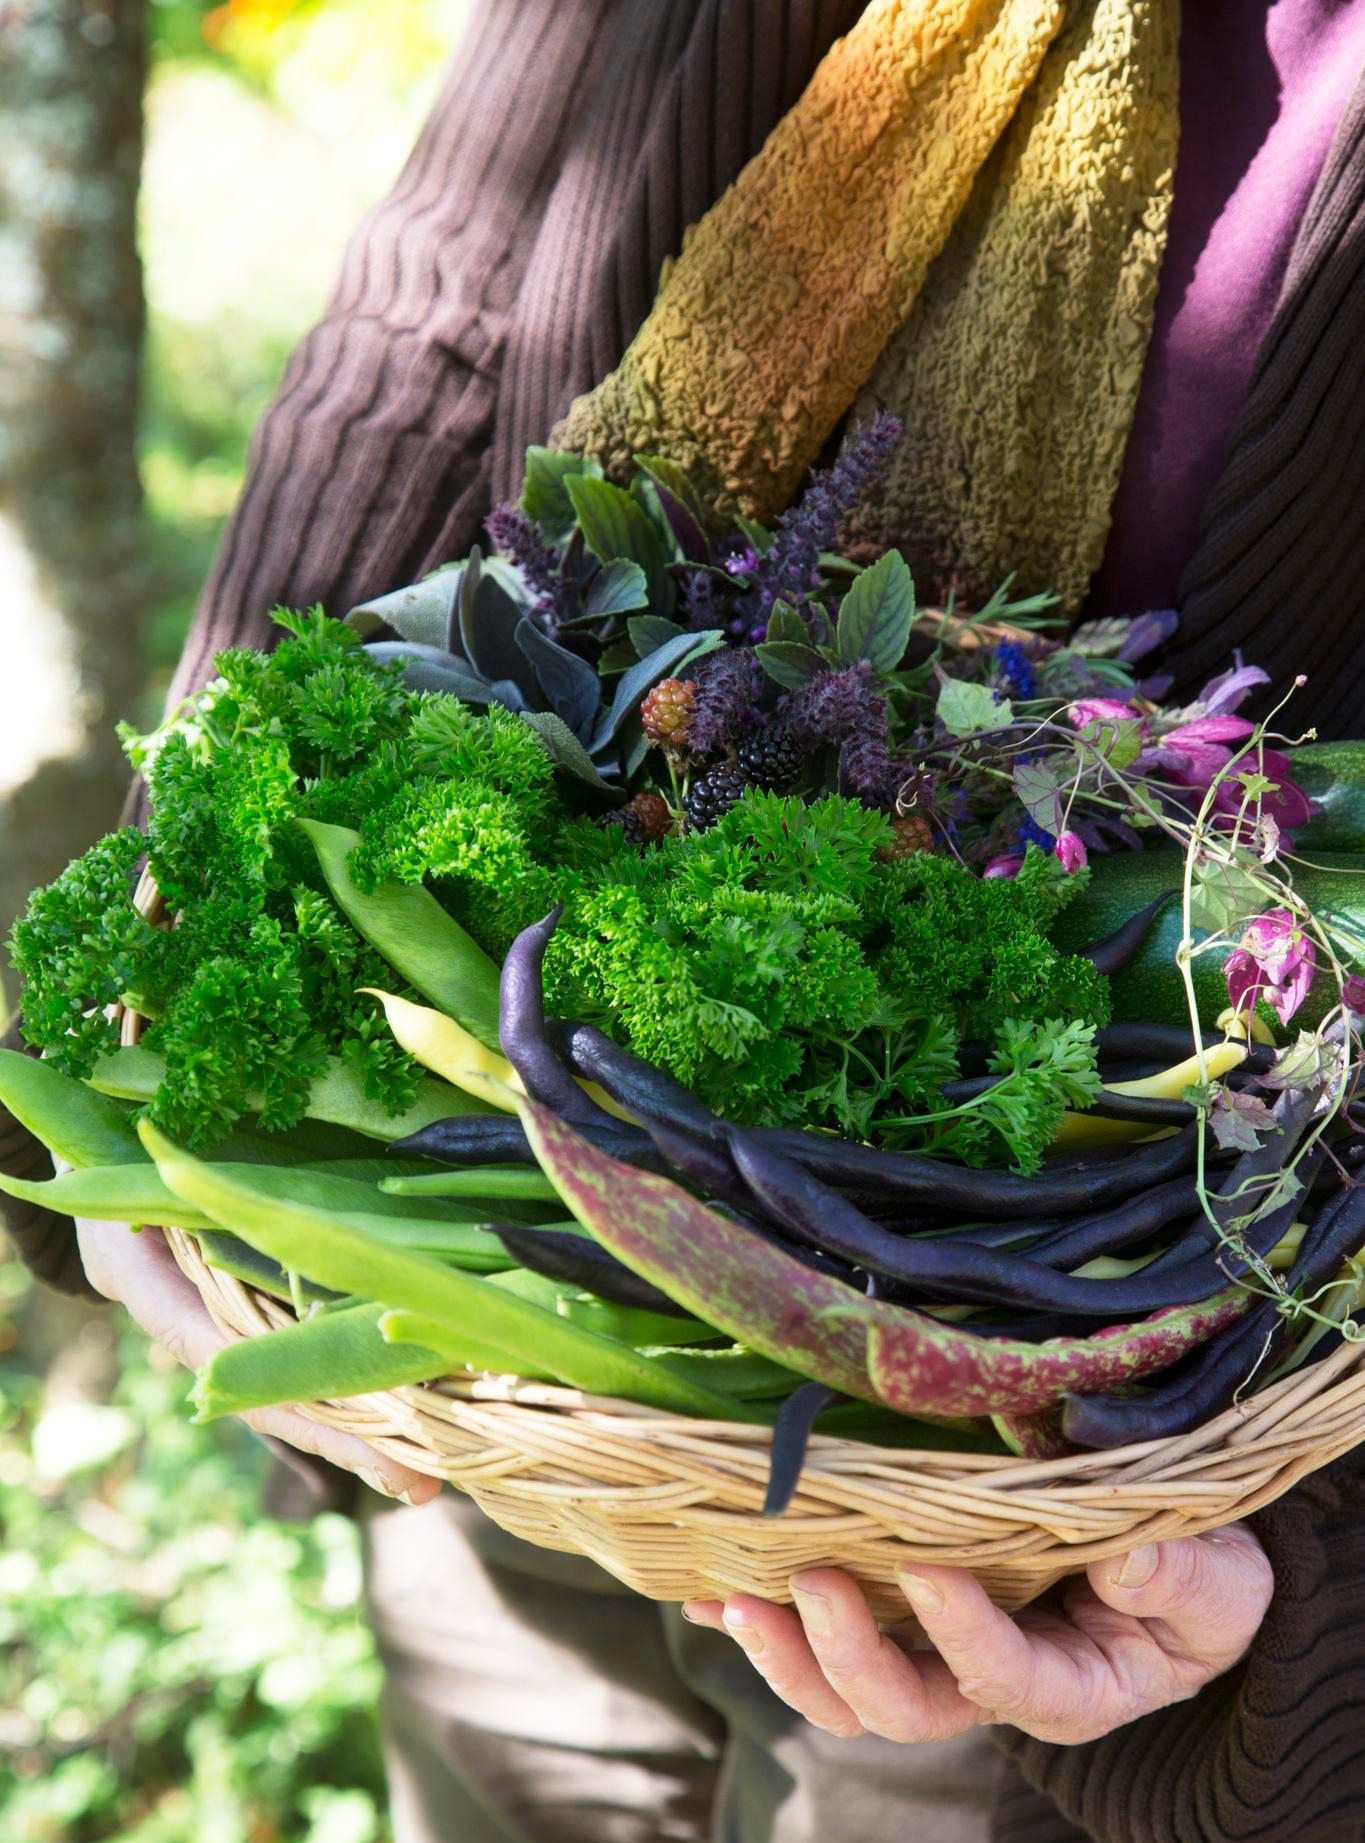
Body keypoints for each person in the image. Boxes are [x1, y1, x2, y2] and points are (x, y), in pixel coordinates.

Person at [5, 3, 1365, 1839]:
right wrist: (174, 941)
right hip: (508, 1359)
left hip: (1028, 1524)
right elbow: (453, 279)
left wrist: (1320, 1598)